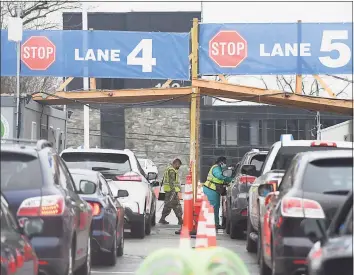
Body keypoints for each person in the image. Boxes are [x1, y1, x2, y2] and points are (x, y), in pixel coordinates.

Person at [203, 156, 234, 229]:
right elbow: (220, 176)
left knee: (216, 207)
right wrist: (231, 179)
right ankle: (214, 224)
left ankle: (215, 223)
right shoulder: (216, 168)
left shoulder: (219, 168)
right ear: (221, 162)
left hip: (214, 189)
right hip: (211, 189)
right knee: (214, 207)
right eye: (225, 162)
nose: (225, 164)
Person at [159, 158, 183, 225]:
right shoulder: (172, 170)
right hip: (171, 191)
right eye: (178, 165)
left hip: (170, 191)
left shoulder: (169, 169)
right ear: (176, 164)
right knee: (175, 206)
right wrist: (173, 192)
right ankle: (180, 220)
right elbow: (171, 182)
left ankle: (163, 218)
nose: (179, 167)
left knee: (170, 205)